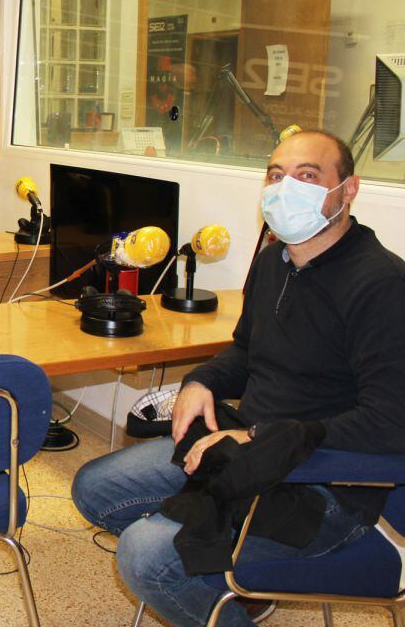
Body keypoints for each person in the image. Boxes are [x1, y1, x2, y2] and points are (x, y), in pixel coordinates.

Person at [71, 130, 405, 627]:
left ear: (348, 190)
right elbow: (246, 352)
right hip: (246, 457)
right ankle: (226, 572)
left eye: (308, 176)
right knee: (94, 487)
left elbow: (390, 423)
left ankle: (208, 564)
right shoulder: (275, 260)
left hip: (324, 485)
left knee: (145, 557)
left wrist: (255, 435)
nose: (285, 187)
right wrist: (201, 381)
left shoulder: (382, 284)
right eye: (276, 175)